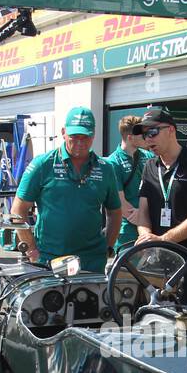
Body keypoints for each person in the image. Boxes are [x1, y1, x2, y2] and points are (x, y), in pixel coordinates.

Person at [12, 107, 121, 272]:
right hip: (49, 259)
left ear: (94, 135)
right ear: (63, 132)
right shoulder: (42, 164)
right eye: (74, 136)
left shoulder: (106, 168)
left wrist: (108, 247)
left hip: (92, 261)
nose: (80, 142)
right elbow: (18, 211)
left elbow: (115, 211)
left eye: (85, 137)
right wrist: (32, 251)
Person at [134, 107, 187, 303]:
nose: (148, 139)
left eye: (153, 132)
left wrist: (164, 240)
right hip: (154, 264)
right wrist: (145, 236)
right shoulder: (149, 166)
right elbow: (142, 211)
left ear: (171, 130)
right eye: (145, 135)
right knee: (150, 323)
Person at [105, 114, 154, 257]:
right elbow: (120, 203)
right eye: (142, 134)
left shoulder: (148, 157)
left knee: (151, 276)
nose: (146, 137)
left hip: (150, 228)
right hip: (127, 231)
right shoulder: (114, 162)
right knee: (126, 275)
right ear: (130, 137)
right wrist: (144, 219)